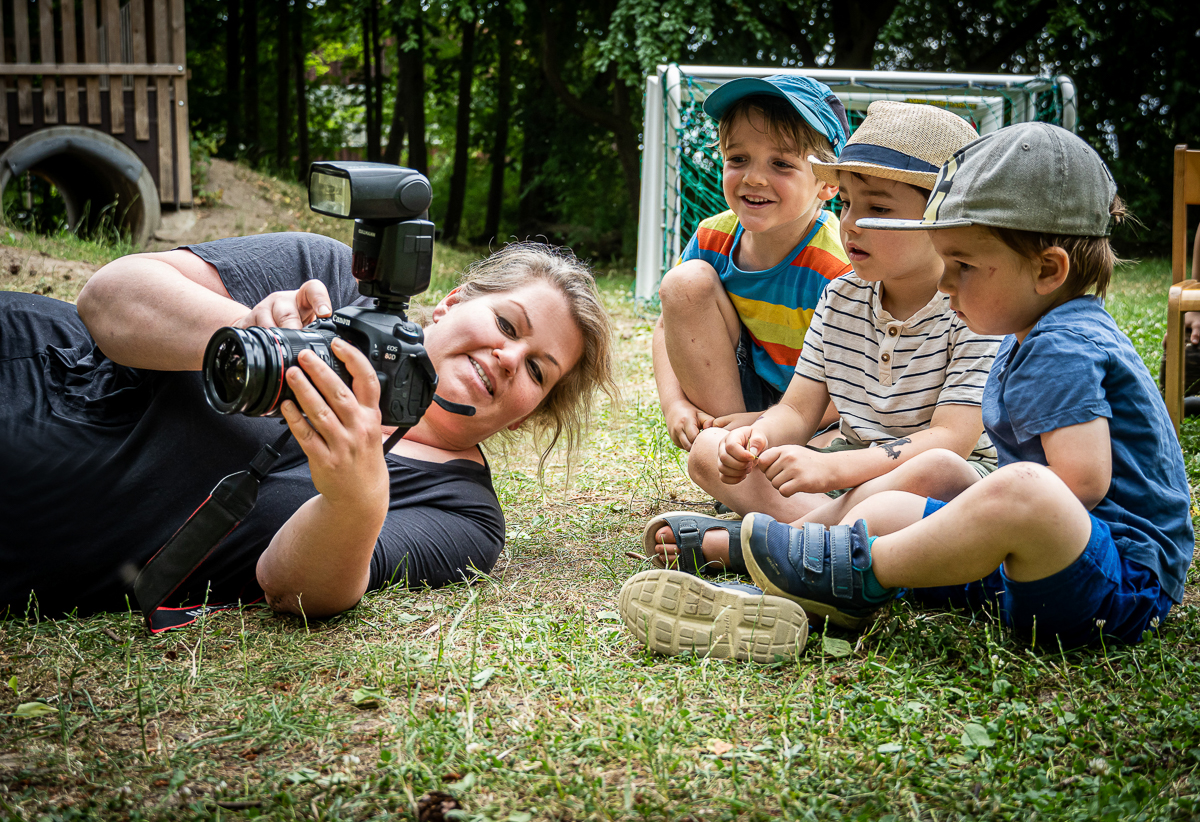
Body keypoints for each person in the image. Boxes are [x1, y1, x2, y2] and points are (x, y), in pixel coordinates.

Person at [622, 122, 1193, 659]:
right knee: (891, 503)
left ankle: (818, 563)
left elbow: (1078, 487)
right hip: (1030, 570)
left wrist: (960, 517)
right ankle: (803, 569)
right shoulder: (1027, 333)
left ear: (1048, 270)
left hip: (1118, 582)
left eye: (962, 265)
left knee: (1017, 487)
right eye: (846, 204)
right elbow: (799, 410)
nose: (947, 282)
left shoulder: (1062, 344)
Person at [0, 233, 616, 623]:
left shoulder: (463, 514)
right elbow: (107, 299)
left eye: (538, 370)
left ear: (533, 409)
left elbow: (291, 586)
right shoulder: (337, 280)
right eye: (508, 326)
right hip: (36, 359)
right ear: (452, 303)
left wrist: (354, 496)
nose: (510, 359)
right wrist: (249, 332)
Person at [644, 102, 1000, 576]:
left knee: (929, 473)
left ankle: (770, 545)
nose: (849, 222)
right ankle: (811, 545)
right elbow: (796, 411)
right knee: (710, 451)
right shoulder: (841, 296)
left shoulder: (976, 309)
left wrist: (833, 471)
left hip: (940, 483)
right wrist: (753, 439)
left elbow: (951, 440)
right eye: (848, 203)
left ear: (944, 217)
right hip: (844, 473)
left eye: (877, 208)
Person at [652, 74, 852, 454]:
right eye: (738, 159)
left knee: (850, 449)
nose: (754, 177)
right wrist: (674, 403)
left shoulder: (838, 264)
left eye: (781, 163)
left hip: (825, 411)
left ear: (828, 184)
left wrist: (775, 422)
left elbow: (858, 380)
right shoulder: (713, 237)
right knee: (683, 283)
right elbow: (667, 325)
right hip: (745, 393)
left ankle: (769, 465)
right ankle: (735, 452)